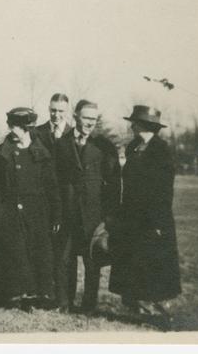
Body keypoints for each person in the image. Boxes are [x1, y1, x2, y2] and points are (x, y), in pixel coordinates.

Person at [0, 107, 62, 311]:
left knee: (37, 253)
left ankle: (36, 296)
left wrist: (56, 216)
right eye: (10, 126)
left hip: (37, 213)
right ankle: (14, 295)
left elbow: (52, 187)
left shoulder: (41, 154)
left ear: (26, 128)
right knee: (15, 254)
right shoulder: (3, 153)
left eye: (15, 127)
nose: (11, 130)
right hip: (10, 212)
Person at [109, 105, 181, 318]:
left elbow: (164, 190)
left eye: (134, 122)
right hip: (131, 217)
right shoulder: (133, 147)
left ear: (144, 125)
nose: (131, 126)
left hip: (153, 219)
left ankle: (159, 309)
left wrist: (158, 222)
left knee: (153, 263)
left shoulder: (161, 151)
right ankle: (136, 304)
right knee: (132, 261)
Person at [54, 100, 121, 313]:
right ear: (75, 116)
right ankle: (64, 303)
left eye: (94, 119)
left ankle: (89, 305)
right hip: (67, 213)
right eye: (86, 118)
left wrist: (109, 216)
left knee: (92, 262)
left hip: (94, 215)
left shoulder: (104, 146)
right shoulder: (61, 144)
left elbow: (113, 184)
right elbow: (54, 180)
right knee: (65, 259)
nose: (90, 123)